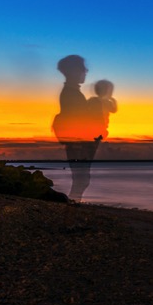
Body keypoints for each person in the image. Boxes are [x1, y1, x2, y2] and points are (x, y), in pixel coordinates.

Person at [52, 55, 101, 202]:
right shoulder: (71, 94)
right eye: (82, 68)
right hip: (79, 144)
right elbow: (79, 121)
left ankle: (72, 209)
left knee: (81, 179)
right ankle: (72, 211)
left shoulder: (71, 92)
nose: (86, 71)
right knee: (81, 179)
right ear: (73, 71)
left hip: (78, 142)